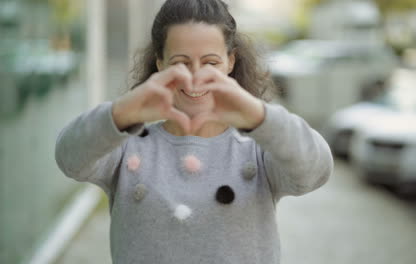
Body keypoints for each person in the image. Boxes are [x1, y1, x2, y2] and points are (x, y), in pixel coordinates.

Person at [55, 0, 334, 263]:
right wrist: (123, 111)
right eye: (180, 62)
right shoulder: (127, 145)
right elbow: (70, 158)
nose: (195, 76)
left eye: (211, 62)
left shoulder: (258, 148)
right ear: (160, 63)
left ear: (231, 62)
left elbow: (316, 170)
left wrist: (258, 116)